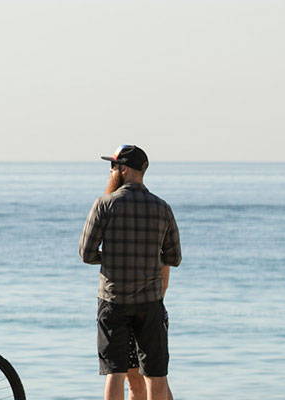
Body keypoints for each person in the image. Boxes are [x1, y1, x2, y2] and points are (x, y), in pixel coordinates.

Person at [78, 145, 182, 400]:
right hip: (150, 303)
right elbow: (174, 258)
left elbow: (86, 253)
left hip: (113, 301)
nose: (111, 171)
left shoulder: (104, 204)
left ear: (123, 170)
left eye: (113, 166)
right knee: (156, 374)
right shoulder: (162, 207)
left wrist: (111, 257)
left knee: (115, 371)